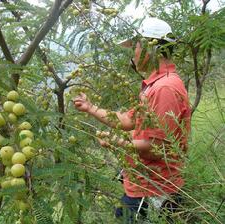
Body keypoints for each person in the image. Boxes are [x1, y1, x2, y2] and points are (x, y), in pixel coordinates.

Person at [73, 17, 191, 223]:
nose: (131, 54)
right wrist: (90, 108)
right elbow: (128, 121)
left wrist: (116, 142)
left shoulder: (164, 89)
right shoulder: (154, 85)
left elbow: (157, 148)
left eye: (133, 47)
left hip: (153, 190)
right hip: (142, 186)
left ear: (148, 48)